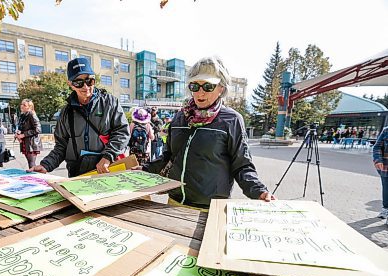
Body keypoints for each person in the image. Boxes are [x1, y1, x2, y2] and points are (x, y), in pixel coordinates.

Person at [143, 55, 274, 210]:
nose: (200, 93)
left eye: (207, 86)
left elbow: (242, 165)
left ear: (221, 88)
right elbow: (168, 157)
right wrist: (144, 170)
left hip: (211, 209)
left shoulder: (232, 120)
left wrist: (258, 191)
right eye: (194, 86)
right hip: (174, 203)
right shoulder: (180, 117)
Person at [29, 57, 130, 177]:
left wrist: (108, 156)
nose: (85, 87)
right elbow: (61, 146)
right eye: (78, 82)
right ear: (70, 84)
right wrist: (46, 165)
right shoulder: (66, 112)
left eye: (89, 81)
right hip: (78, 173)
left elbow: (122, 132)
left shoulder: (110, 102)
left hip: (107, 169)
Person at [15, 99, 42, 169]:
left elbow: (38, 129)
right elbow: (22, 127)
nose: (22, 106)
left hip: (32, 143)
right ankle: (33, 177)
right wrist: (18, 133)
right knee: (30, 163)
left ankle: (34, 178)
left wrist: (23, 135)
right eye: (21, 104)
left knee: (31, 164)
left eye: (24, 105)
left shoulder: (32, 115)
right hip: (26, 142)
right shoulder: (23, 115)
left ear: (29, 107)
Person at [373, 127, 388, 223]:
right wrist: (378, 160)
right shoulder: (386, 130)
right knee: (386, 188)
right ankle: (385, 208)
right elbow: (377, 147)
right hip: (386, 167)